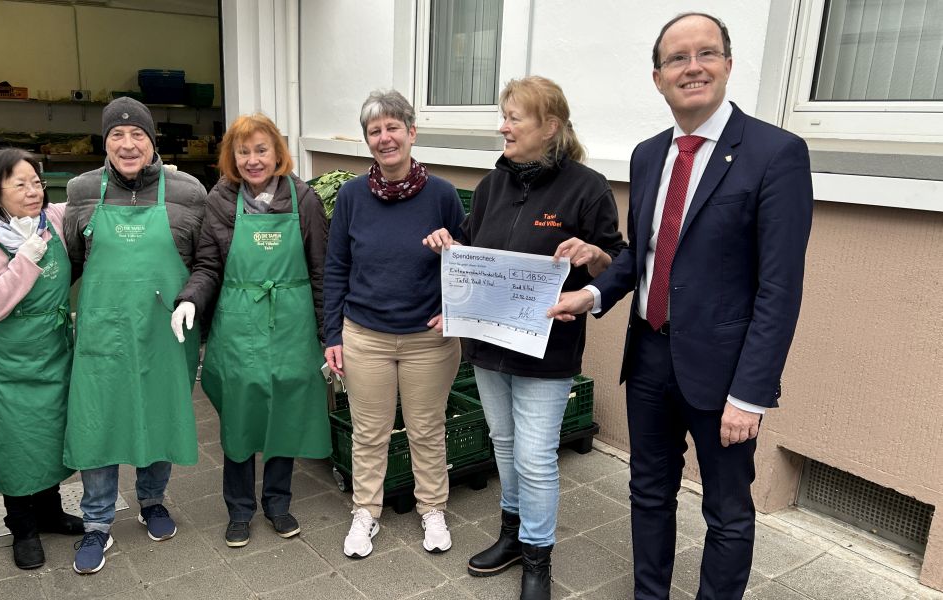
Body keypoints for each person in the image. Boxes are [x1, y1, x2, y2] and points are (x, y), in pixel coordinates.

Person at [547, 13, 813, 600]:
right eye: (677, 59)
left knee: (726, 512)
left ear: (728, 64)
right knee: (647, 492)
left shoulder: (776, 154)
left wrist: (750, 394)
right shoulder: (648, 156)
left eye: (706, 54)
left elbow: (779, 290)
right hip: (648, 359)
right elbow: (639, 256)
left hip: (723, 374)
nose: (693, 67)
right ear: (657, 77)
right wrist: (591, 294)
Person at [424, 76, 626, 600]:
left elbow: (617, 261)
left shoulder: (587, 187)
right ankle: (512, 537)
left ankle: (538, 558)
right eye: (504, 115)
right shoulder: (493, 186)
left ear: (550, 127)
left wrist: (593, 256)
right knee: (505, 446)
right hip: (489, 346)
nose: (503, 126)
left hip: (547, 349)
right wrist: (450, 244)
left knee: (536, 458)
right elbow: (474, 251)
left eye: (515, 117)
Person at [171, 113, 331, 548]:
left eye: (261, 150)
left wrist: (327, 332)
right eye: (244, 152)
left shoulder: (304, 199)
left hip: (292, 326)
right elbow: (208, 265)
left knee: (285, 411)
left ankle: (277, 502)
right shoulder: (221, 200)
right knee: (240, 417)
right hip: (239, 325)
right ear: (232, 157)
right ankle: (239, 509)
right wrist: (189, 298)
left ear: (277, 152)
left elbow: (321, 270)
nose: (253, 160)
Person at [62, 97, 207, 574]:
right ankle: (97, 523)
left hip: (164, 332)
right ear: (105, 142)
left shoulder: (188, 191)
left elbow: (206, 262)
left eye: (137, 135)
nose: (128, 145)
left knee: (159, 414)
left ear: (152, 140)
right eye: (116, 136)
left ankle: (152, 502)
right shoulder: (82, 190)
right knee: (98, 421)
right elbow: (70, 266)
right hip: (103, 330)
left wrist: (191, 300)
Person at [324, 89, 464, 559]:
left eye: (392, 127)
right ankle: (366, 512)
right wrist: (331, 335)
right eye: (374, 130)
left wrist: (456, 302)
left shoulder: (443, 195)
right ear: (367, 140)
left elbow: (468, 267)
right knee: (369, 431)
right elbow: (336, 267)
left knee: (427, 428)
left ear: (411, 131)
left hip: (429, 339)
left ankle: (432, 509)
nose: (385, 138)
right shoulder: (351, 196)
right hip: (364, 336)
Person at [0, 147, 84, 570]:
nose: (34, 192)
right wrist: (25, 260)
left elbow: (97, 196)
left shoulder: (58, 219)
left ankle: (49, 511)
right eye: (21, 185)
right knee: (15, 441)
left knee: (51, 433)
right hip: (8, 360)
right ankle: (23, 526)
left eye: (37, 182)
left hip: (53, 347)